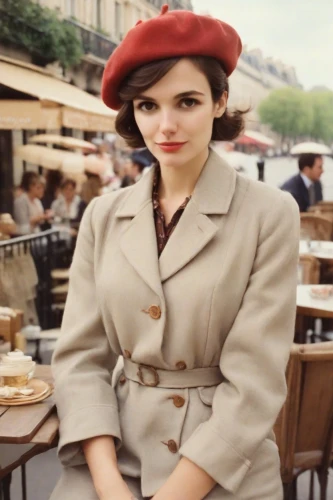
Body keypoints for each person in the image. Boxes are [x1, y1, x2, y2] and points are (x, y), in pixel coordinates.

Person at [51, 6, 300, 500]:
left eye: (186, 101)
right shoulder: (102, 215)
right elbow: (80, 360)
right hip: (110, 458)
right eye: (147, 105)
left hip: (224, 467)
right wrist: (107, 482)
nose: (165, 125)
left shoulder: (270, 214)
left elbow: (255, 383)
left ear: (219, 101)